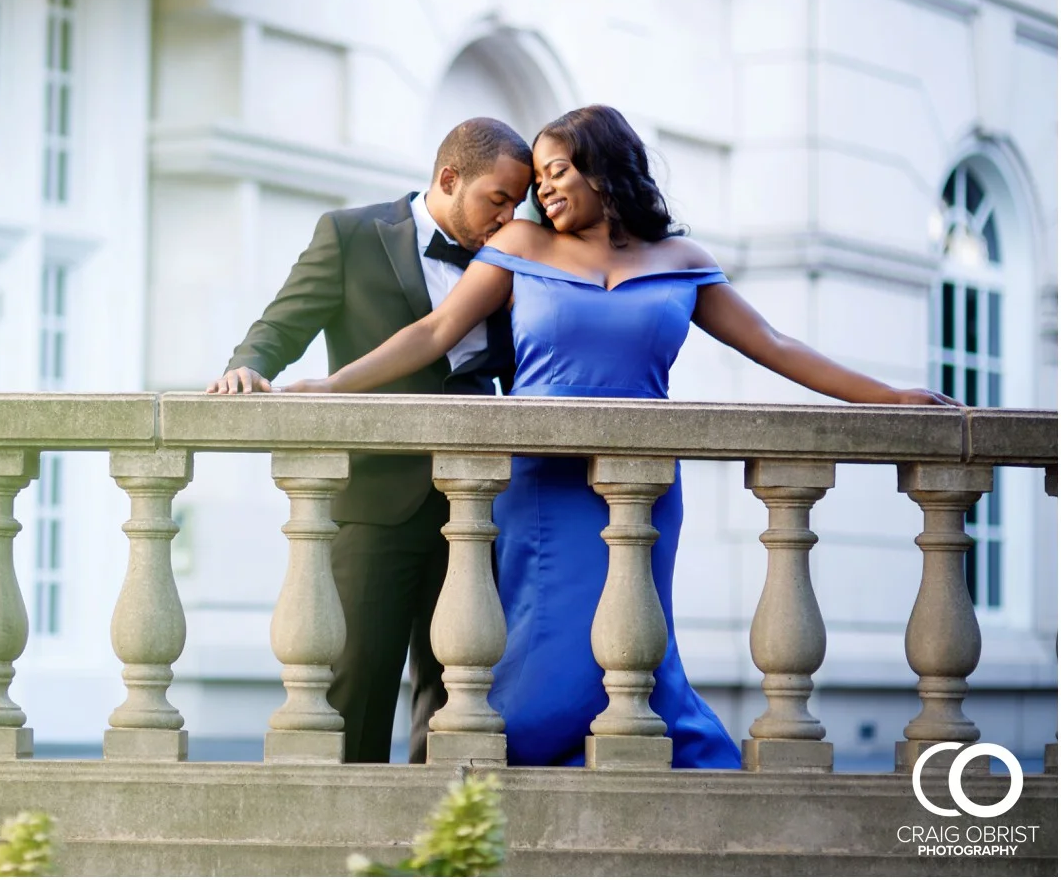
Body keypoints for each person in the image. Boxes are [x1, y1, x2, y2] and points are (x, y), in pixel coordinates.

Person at [281, 104, 955, 767]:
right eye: (537, 179)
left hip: (641, 487)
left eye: (556, 171)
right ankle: (517, 765)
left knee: (634, 644)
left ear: (603, 169)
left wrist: (891, 396)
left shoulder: (682, 258)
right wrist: (333, 387)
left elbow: (773, 343)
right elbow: (433, 332)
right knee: (537, 635)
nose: (542, 191)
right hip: (541, 488)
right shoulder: (520, 247)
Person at [207, 117, 535, 764]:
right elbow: (284, 322)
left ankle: (445, 827)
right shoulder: (350, 234)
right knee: (354, 690)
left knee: (460, 699)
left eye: (517, 204)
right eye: (498, 199)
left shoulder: (511, 258)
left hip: (476, 504)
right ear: (450, 178)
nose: (507, 217)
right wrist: (247, 366)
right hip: (373, 499)